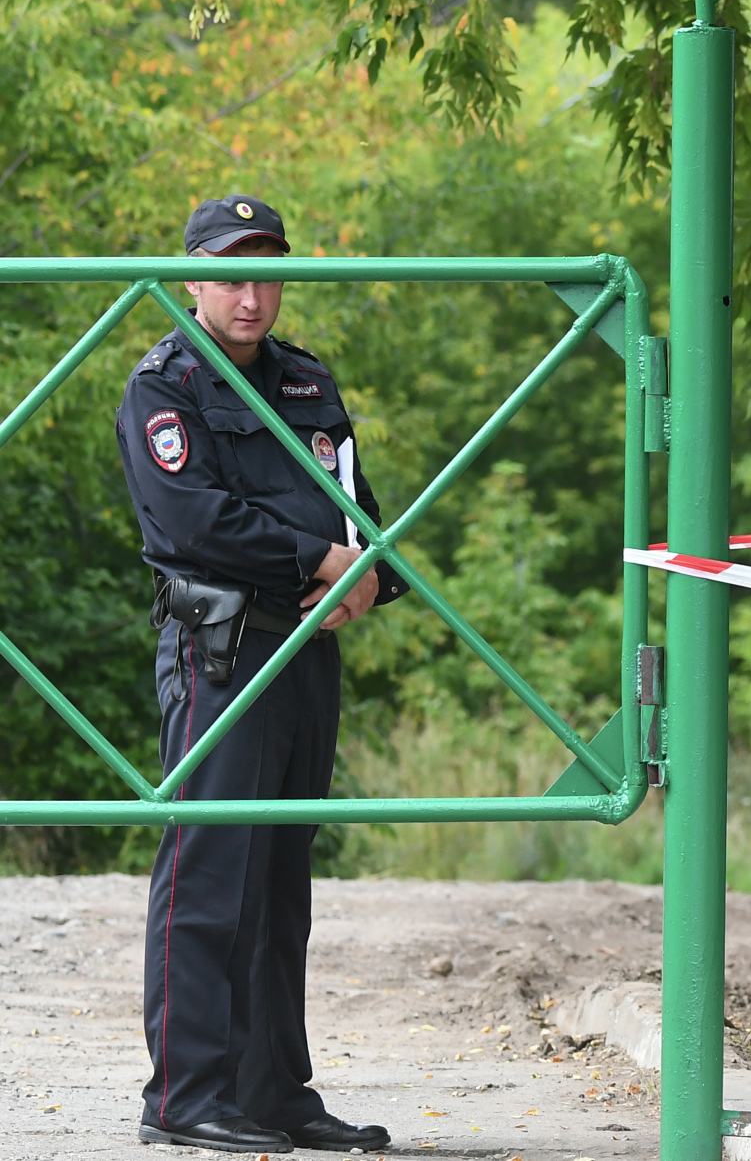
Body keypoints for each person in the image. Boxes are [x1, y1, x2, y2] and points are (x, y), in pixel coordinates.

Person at [116, 194, 406, 1154]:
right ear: (193, 278)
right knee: (208, 873)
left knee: (282, 880)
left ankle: (273, 1092)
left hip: (306, 651)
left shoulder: (306, 385)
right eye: (232, 274)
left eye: (267, 272)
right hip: (222, 654)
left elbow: (357, 506)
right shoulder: (166, 387)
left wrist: (367, 570)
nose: (252, 294)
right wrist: (320, 560)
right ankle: (185, 1098)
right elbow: (189, 522)